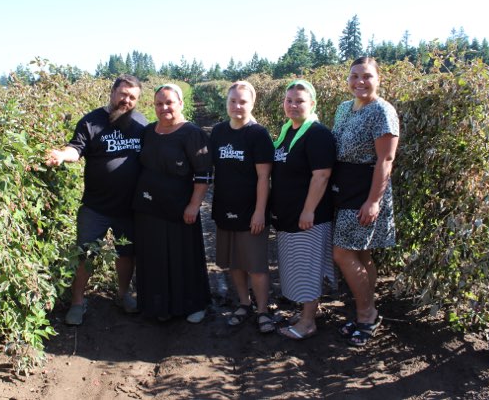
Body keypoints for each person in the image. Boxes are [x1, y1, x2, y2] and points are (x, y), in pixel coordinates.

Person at [46, 74, 147, 326]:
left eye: (132, 97)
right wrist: (61, 155)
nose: (126, 100)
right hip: (96, 206)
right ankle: (78, 302)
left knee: (127, 253)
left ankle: (123, 295)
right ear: (113, 92)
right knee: (86, 253)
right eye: (123, 94)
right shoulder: (91, 121)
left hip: (129, 207)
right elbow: (75, 149)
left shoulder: (141, 123)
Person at [331, 57, 399, 347]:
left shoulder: (382, 111)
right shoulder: (343, 108)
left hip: (366, 190)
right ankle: (368, 312)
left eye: (367, 76)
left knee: (343, 253)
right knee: (361, 255)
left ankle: (366, 315)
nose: (360, 81)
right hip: (344, 188)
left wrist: (373, 201)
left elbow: (386, 159)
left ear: (378, 79)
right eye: (354, 75)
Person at [133, 84, 213, 323]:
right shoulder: (148, 131)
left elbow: (204, 173)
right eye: (159, 103)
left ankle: (194, 305)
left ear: (181, 103)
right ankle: (160, 306)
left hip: (180, 209)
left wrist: (194, 205)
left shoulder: (192, 133)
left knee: (183, 257)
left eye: (169, 102)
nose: (164, 107)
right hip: (148, 209)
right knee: (154, 257)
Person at [271, 79, 336, 340]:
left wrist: (308, 210)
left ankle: (308, 322)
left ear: (312, 103)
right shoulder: (287, 131)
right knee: (297, 266)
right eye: (289, 100)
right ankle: (306, 313)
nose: (293, 105)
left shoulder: (318, 134)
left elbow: (321, 176)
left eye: (300, 101)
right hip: (289, 215)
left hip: (308, 216)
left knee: (308, 267)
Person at [209, 81, 275, 333]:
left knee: (256, 264)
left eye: (243, 101)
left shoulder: (258, 134)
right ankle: (244, 303)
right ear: (226, 104)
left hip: (251, 210)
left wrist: (260, 211)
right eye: (233, 101)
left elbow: (263, 177)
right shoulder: (218, 132)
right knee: (235, 261)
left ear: (252, 103)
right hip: (224, 207)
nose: (237, 106)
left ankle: (263, 310)